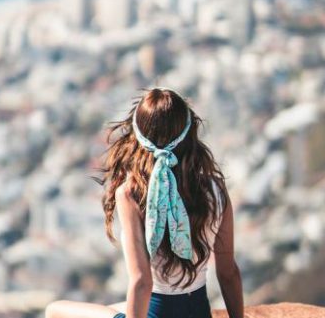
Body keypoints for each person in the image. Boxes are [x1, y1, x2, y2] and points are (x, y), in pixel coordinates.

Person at [46, 88, 244, 318]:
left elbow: (141, 281)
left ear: (138, 138)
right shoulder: (214, 189)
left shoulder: (132, 194)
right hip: (198, 311)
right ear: (190, 134)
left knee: (55, 310)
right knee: (116, 307)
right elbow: (228, 273)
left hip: (157, 313)